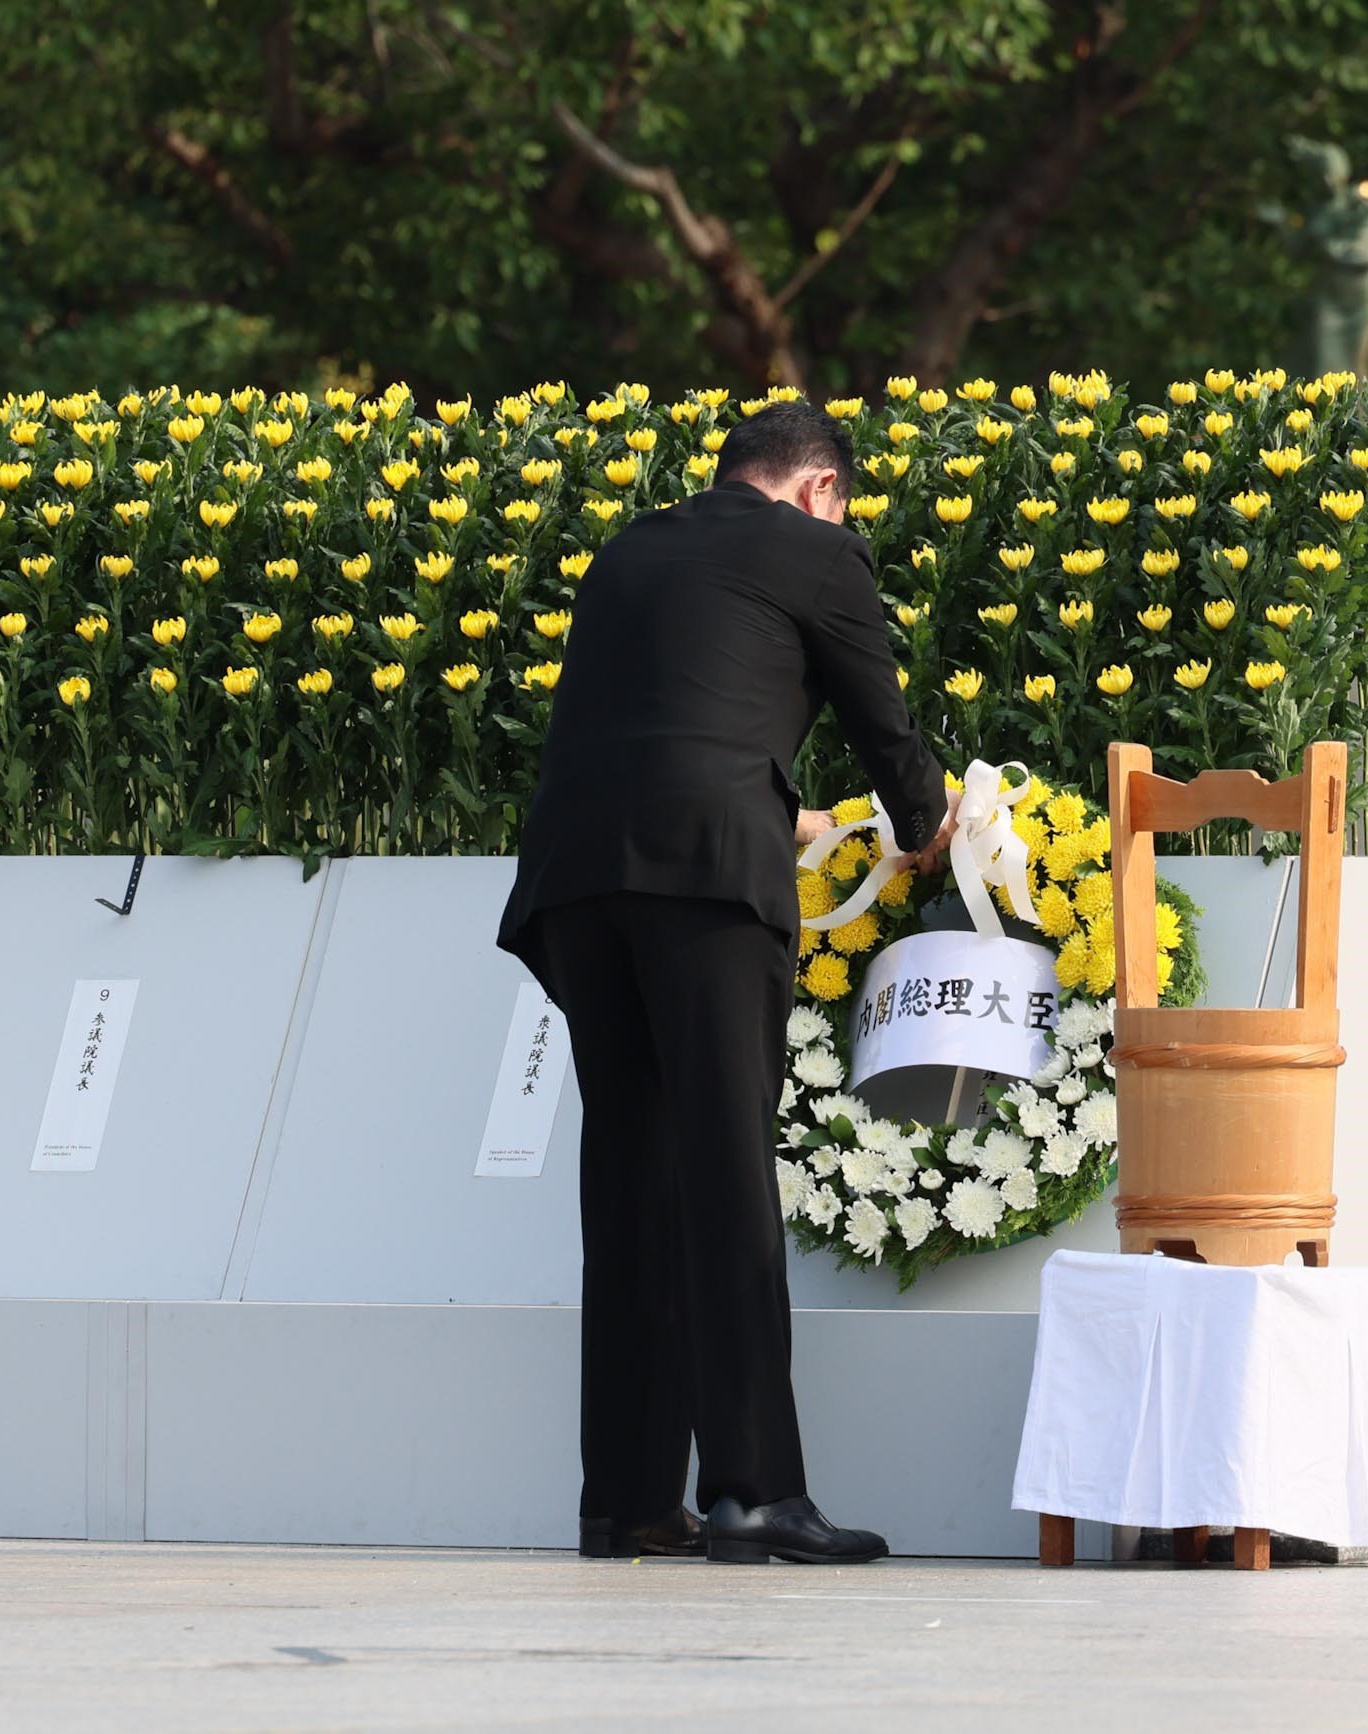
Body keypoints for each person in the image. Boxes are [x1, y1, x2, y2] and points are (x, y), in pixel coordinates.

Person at [498, 400, 955, 1566]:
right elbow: (877, 714)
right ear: (815, 490)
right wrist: (921, 821)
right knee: (723, 1177)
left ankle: (631, 1501)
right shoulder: (817, 548)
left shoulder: (629, 547)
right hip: (704, 884)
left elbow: (661, 718)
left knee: (631, 1180)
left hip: (576, 882)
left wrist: (765, 806)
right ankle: (754, 1492)